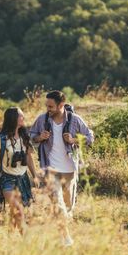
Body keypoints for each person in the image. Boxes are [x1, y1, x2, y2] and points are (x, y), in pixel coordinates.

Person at [30, 91, 94, 246]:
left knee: (67, 207)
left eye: (51, 106)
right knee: (58, 206)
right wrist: (40, 138)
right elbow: (31, 136)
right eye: (47, 106)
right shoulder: (42, 120)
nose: (48, 109)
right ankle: (66, 239)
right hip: (50, 171)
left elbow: (90, 137)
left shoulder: (75, 120)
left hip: (70, 171)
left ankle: (64, 228)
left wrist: (74, 140)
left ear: (61, 105)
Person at [0, 107, 40, 235]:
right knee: (18, 211)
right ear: (13, 119)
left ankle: (9, 237)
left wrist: (35, 176)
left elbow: (29, 158)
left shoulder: (25, 136)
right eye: (21, 116)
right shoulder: (0, 138)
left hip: (23, 179)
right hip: (7, 180)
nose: (23, 118)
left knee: (16, 211)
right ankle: (26, 241)